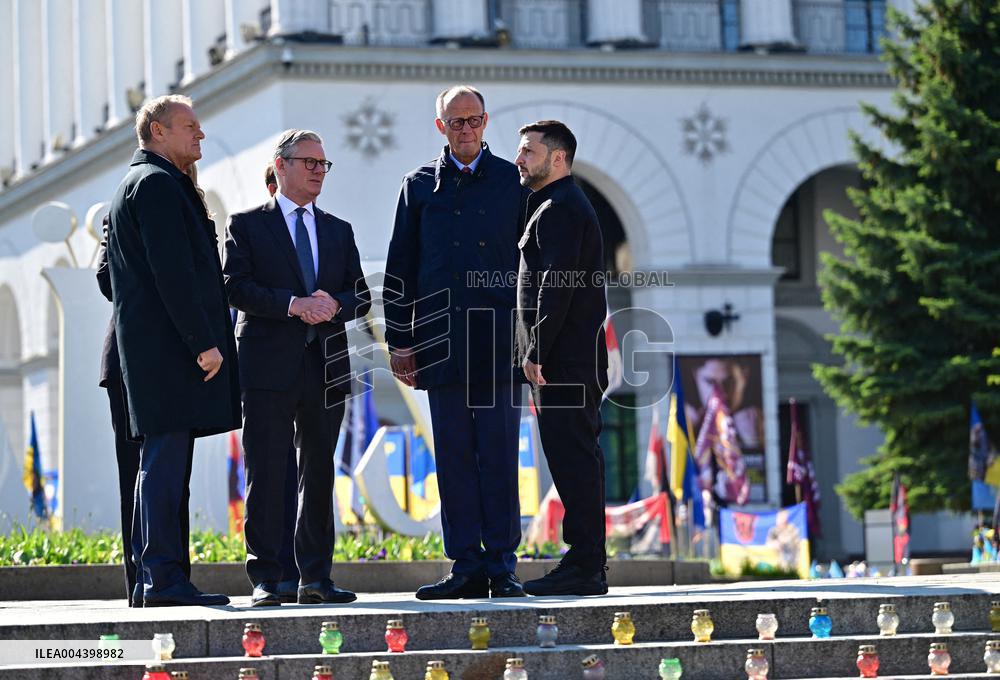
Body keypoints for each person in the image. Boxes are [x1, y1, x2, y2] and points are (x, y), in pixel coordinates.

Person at [384, 85, 526, 600]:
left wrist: (535, 341)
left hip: (500, 344)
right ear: (440, 126)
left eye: (474, 120)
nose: (465, 129)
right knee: (454, 458)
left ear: (486, 121)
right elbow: (400, 268)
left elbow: (534, 269)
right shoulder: (418, 186)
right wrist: (400, 341)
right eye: (455, 121)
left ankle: (502, 567)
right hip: (440, 344)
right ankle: (465, 565)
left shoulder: (514, 182)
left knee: (499, 457)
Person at [224, 129, 369, 606]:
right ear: (280, 165)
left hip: (326, 366)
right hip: (268, 366)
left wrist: (334, 304)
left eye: (323, 164)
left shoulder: (338, 229)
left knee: (320, 474)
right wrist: (293, 304)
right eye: (309, 162)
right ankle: (269, 578)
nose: (317, 171)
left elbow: (360, 295)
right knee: (267, 472)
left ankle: (315, 578)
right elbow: (236, 287)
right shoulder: (247, 225)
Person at [107, 94, 239, 607]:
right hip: (167, 353)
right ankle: (163, 580)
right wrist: (203, 342)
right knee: (164, 466)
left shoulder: (146, 182)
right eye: (190, 126)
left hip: (155, 352)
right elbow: (172, 273)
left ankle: (158, 579)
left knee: (163, 466)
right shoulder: (157, 184)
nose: (200, 135)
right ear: (157, 131)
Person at [514, 120, 609, 596]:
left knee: (574, 460)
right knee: (573, 457)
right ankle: (585, 562)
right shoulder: (555, 204)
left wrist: (536, 351)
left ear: (557, 158)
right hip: (566, 360)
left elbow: (557, 285)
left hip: (563, 363)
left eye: (528, 151)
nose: (519, 159)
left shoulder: (561, 207)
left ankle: (586, 566)